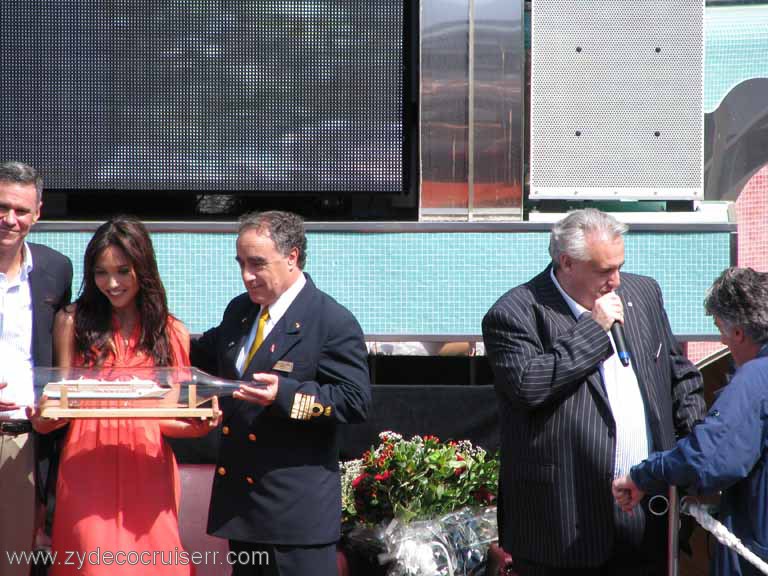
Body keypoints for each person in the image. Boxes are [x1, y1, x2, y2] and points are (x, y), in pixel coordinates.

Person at [481, 208, 706, 575]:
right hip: (564, 524)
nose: (615, 281)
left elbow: (678, 374)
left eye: (619, 266)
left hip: (646, 512)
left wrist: (693, 450)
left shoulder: (642, 292)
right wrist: (593, 329)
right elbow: (527, 387)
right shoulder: (516, 314)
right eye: (604, 270)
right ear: (567, 263)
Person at [34, 216, 218, 576]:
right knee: (92, 564)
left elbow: (171, 418)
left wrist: (199, 426)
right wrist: (44, 418)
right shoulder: (71, 322)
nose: (112, 283)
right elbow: (58, 404)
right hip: (85, 465)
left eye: (123, 270)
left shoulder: (171, 331)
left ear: (143, 268)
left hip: (149, 467)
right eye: (101, 273)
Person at [192, 210, 371, 576]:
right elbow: (203, 352)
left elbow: (354, 400)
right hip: (242, 511)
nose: (246, 276)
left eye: (257, 264)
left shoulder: (330, 320)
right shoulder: (241, 311)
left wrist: (284, 395)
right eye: (241, 264)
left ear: (292, 257)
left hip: (294, 518)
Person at [613, 267, 768, 576]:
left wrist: (644, 474)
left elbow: (706, 459)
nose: (723, 340)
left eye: (721, 329)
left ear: (738, 332)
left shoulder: (755, 378)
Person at [0, 161, 72, 576]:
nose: (10, 220)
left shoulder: (54, 270)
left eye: (21, 211)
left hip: (24, 442)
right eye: (3, 207)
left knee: (14, 564)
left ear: (38, 212)